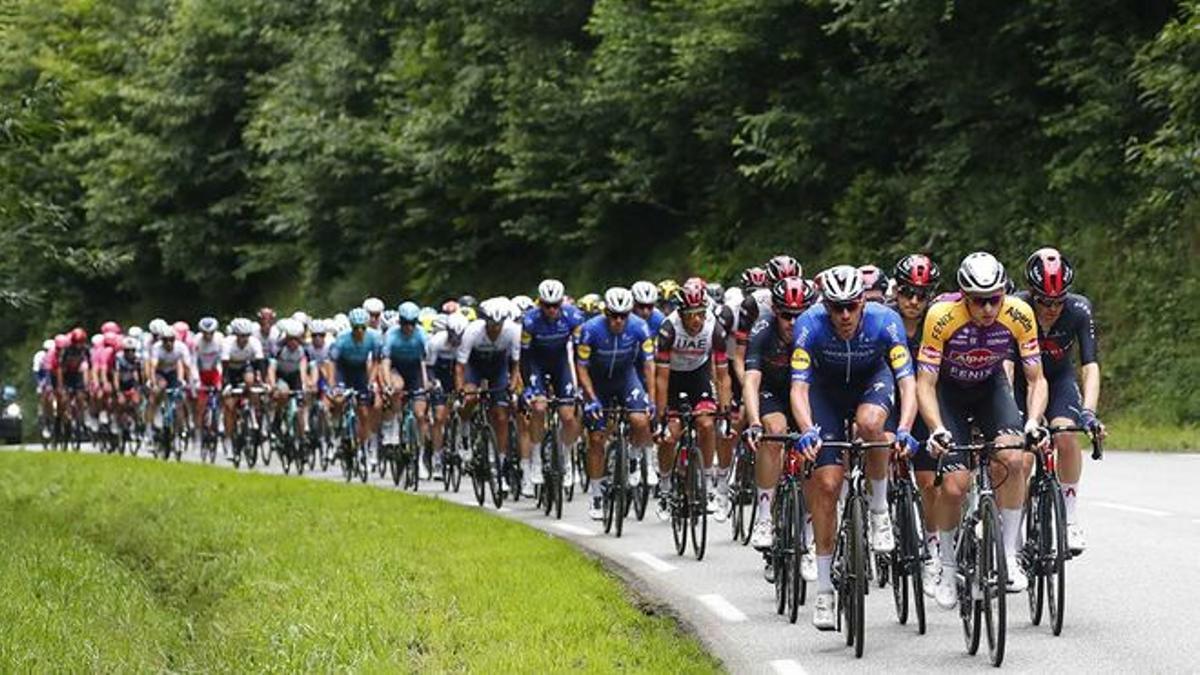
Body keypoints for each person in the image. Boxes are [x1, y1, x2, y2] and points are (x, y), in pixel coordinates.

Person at [788, 265, 919, 630]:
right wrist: (806, 430)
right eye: (836, 307)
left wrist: (906, 427)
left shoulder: (886, 321)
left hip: (870, 384)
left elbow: (907, 383)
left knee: (872, 424)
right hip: (825, 393)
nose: (844, 315)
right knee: (828, 485)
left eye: (851, 306)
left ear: (863, 300)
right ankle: (825, 591)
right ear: (825, 305)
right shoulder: (809, 325)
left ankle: (878, 511)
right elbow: (799, 388)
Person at [917, 251, 1049, 610]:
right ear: (963, 296)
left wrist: (1034, 421)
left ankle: (1008, 556)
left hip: (991, 387)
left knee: (1014, 458)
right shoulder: (941, 317)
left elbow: (1036, 378)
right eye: (980, 301)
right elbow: (925, 384)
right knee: (956, 485)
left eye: (995, 298)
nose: (989, 308)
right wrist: (937, 428)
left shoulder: (1019, 314)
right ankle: (945, 567)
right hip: (950, 393)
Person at [1014, 247, 1105, 553]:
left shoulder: (1079, 309)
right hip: (1020, 382)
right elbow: (1005, 365)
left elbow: (1089, 366)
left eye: (1058, 300)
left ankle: (1069, 517)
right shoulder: (1016, 308)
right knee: (1022, 455)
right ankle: (1014, 525)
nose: (1053, 308)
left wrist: (1089, 413)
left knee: (1066, 435)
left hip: (1059, 379)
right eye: (1045, 301)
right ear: (1031, 293)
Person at [743, 278, 815, 580]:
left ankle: (810, 535)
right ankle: (763, 515)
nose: (793, 321)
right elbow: (750, 380)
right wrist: (754, 422)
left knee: (816, 453)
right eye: (786, 315)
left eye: (799, 314)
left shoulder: (817, 329)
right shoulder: (762, 331)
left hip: (808, 392)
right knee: (774, 430)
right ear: (775, 311)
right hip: (772, 392)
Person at [653, 280, 734, 522]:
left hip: (698, 378)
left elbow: (722, 375)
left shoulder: (715, 328)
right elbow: (661, 379)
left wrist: (726, 411)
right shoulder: (668, 329)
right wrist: (660, 417)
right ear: (680, 314)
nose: (696, 320)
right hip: (673, 380)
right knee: (670, 436)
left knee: (707, 424)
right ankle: (665, 488)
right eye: (691, 315)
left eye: (700, 313)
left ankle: (708, 484)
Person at [887, 253, 944, 593]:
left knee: (928, 480)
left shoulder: (935, 324)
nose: (913, 301)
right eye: (907, 292)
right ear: (897, 291)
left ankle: (934, 547)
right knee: (876, 447)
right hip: (889, 400)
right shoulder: (885, 319)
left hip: (921, 405)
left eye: (921, 295)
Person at [575, 287, 655, 520]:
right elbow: (581, 367)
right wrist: (591, 398)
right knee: (597, 439)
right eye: (614, 315)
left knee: (640, 420)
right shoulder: (590, 330)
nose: (618, 321)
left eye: (623, 315)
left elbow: (649, 365)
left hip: (625, 377)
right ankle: (597, 495)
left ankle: (632, 458)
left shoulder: (639, 326)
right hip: (598, 382)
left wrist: (650, 397)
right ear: (606, 313)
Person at [521, 279, 585, 497]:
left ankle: (567, 459)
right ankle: (537, 459)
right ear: (540, 304)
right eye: (546, 305)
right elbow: (524, 357)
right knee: (538, 409)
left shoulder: (573, 317)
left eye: (555, 304)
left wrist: (580, 384)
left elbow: (579, 355)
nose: (551, 310)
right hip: (536, 365)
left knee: (568, 416)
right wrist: (527, 387)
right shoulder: (529, 321)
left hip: (561, 365)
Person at [456, 299, 522, 471]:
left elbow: (516, 363)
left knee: (501, 415)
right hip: (475, 365)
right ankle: (464, 432)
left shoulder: (513, 331)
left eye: (498, 325)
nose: (495, 329)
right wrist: (460, 390)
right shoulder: (472, 331)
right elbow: (460, 366)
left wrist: (513, 386)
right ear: (485, 321)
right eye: (491, 324)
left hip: (498, 366)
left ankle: (499, 459)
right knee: (471, 398)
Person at [382, 302, 430, 473]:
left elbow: (425, 362)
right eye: (404, 323)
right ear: (399, 322)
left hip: (415, 370)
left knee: (420, 414)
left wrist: (426, 385)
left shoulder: (422, 335)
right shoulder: (391, 335)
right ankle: (395, 425)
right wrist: (387, 384)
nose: (408, 327)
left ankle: (422, 458)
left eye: (412, 323)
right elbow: (386, 363)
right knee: (397, 387)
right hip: (397, 369)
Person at [425, 312, 469, 474]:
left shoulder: (468, 342)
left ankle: (463, 443)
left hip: (459, 376)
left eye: (459, 336)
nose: (456, 341)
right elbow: (429, 367)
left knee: (465, 407)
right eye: (452, 336)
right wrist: (434, 383)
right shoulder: (436, 342)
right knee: (438, 416)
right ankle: (437, 456)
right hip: (440, 377)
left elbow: (469, 368)